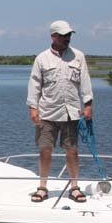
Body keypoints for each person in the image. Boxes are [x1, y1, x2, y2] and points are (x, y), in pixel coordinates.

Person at [26, 20, 93, 203]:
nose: (67, 38)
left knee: (72, 151)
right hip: (47, 112)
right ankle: (42, 187)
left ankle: (74, 187)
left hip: (71, 112)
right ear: (53, 36)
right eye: (63, 35)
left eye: (69, 35)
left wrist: (88, 104)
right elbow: (34, 84)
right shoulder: (42, 58)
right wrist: (33, 108)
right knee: (45, 150)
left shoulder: (78, 56)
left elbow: (85, 81)